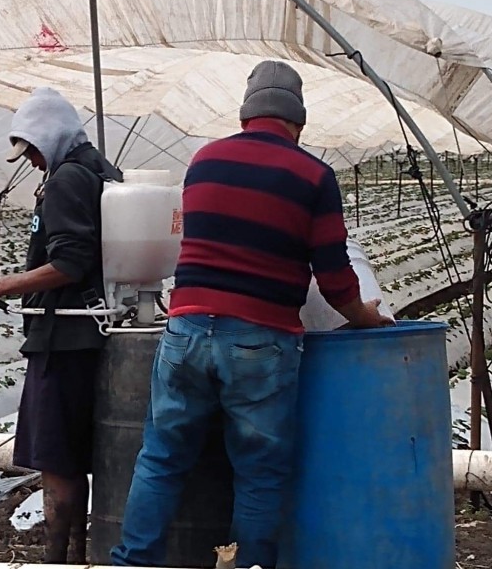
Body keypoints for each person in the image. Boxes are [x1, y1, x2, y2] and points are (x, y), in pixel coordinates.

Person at [109, 61, 393, 569]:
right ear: (298, 121)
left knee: (162, 458)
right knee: (259, 471)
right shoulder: (313, 174)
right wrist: (364, 315)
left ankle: (133, 561)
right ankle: (247, 564)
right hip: (259, 339)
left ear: (246, 115)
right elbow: (332, 273)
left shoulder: (204, 160)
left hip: (187, 328)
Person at [0, 87, 122, 564]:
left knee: (57, 459)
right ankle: (75, 556)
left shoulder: (69, 178)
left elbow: (70, 261)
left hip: (65, 338)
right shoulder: (99, 170)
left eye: (32, 148)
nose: (30, 160)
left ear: (50, 135)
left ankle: (58, 558)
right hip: (93, 329)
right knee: (77, 455)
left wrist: (0, 286)